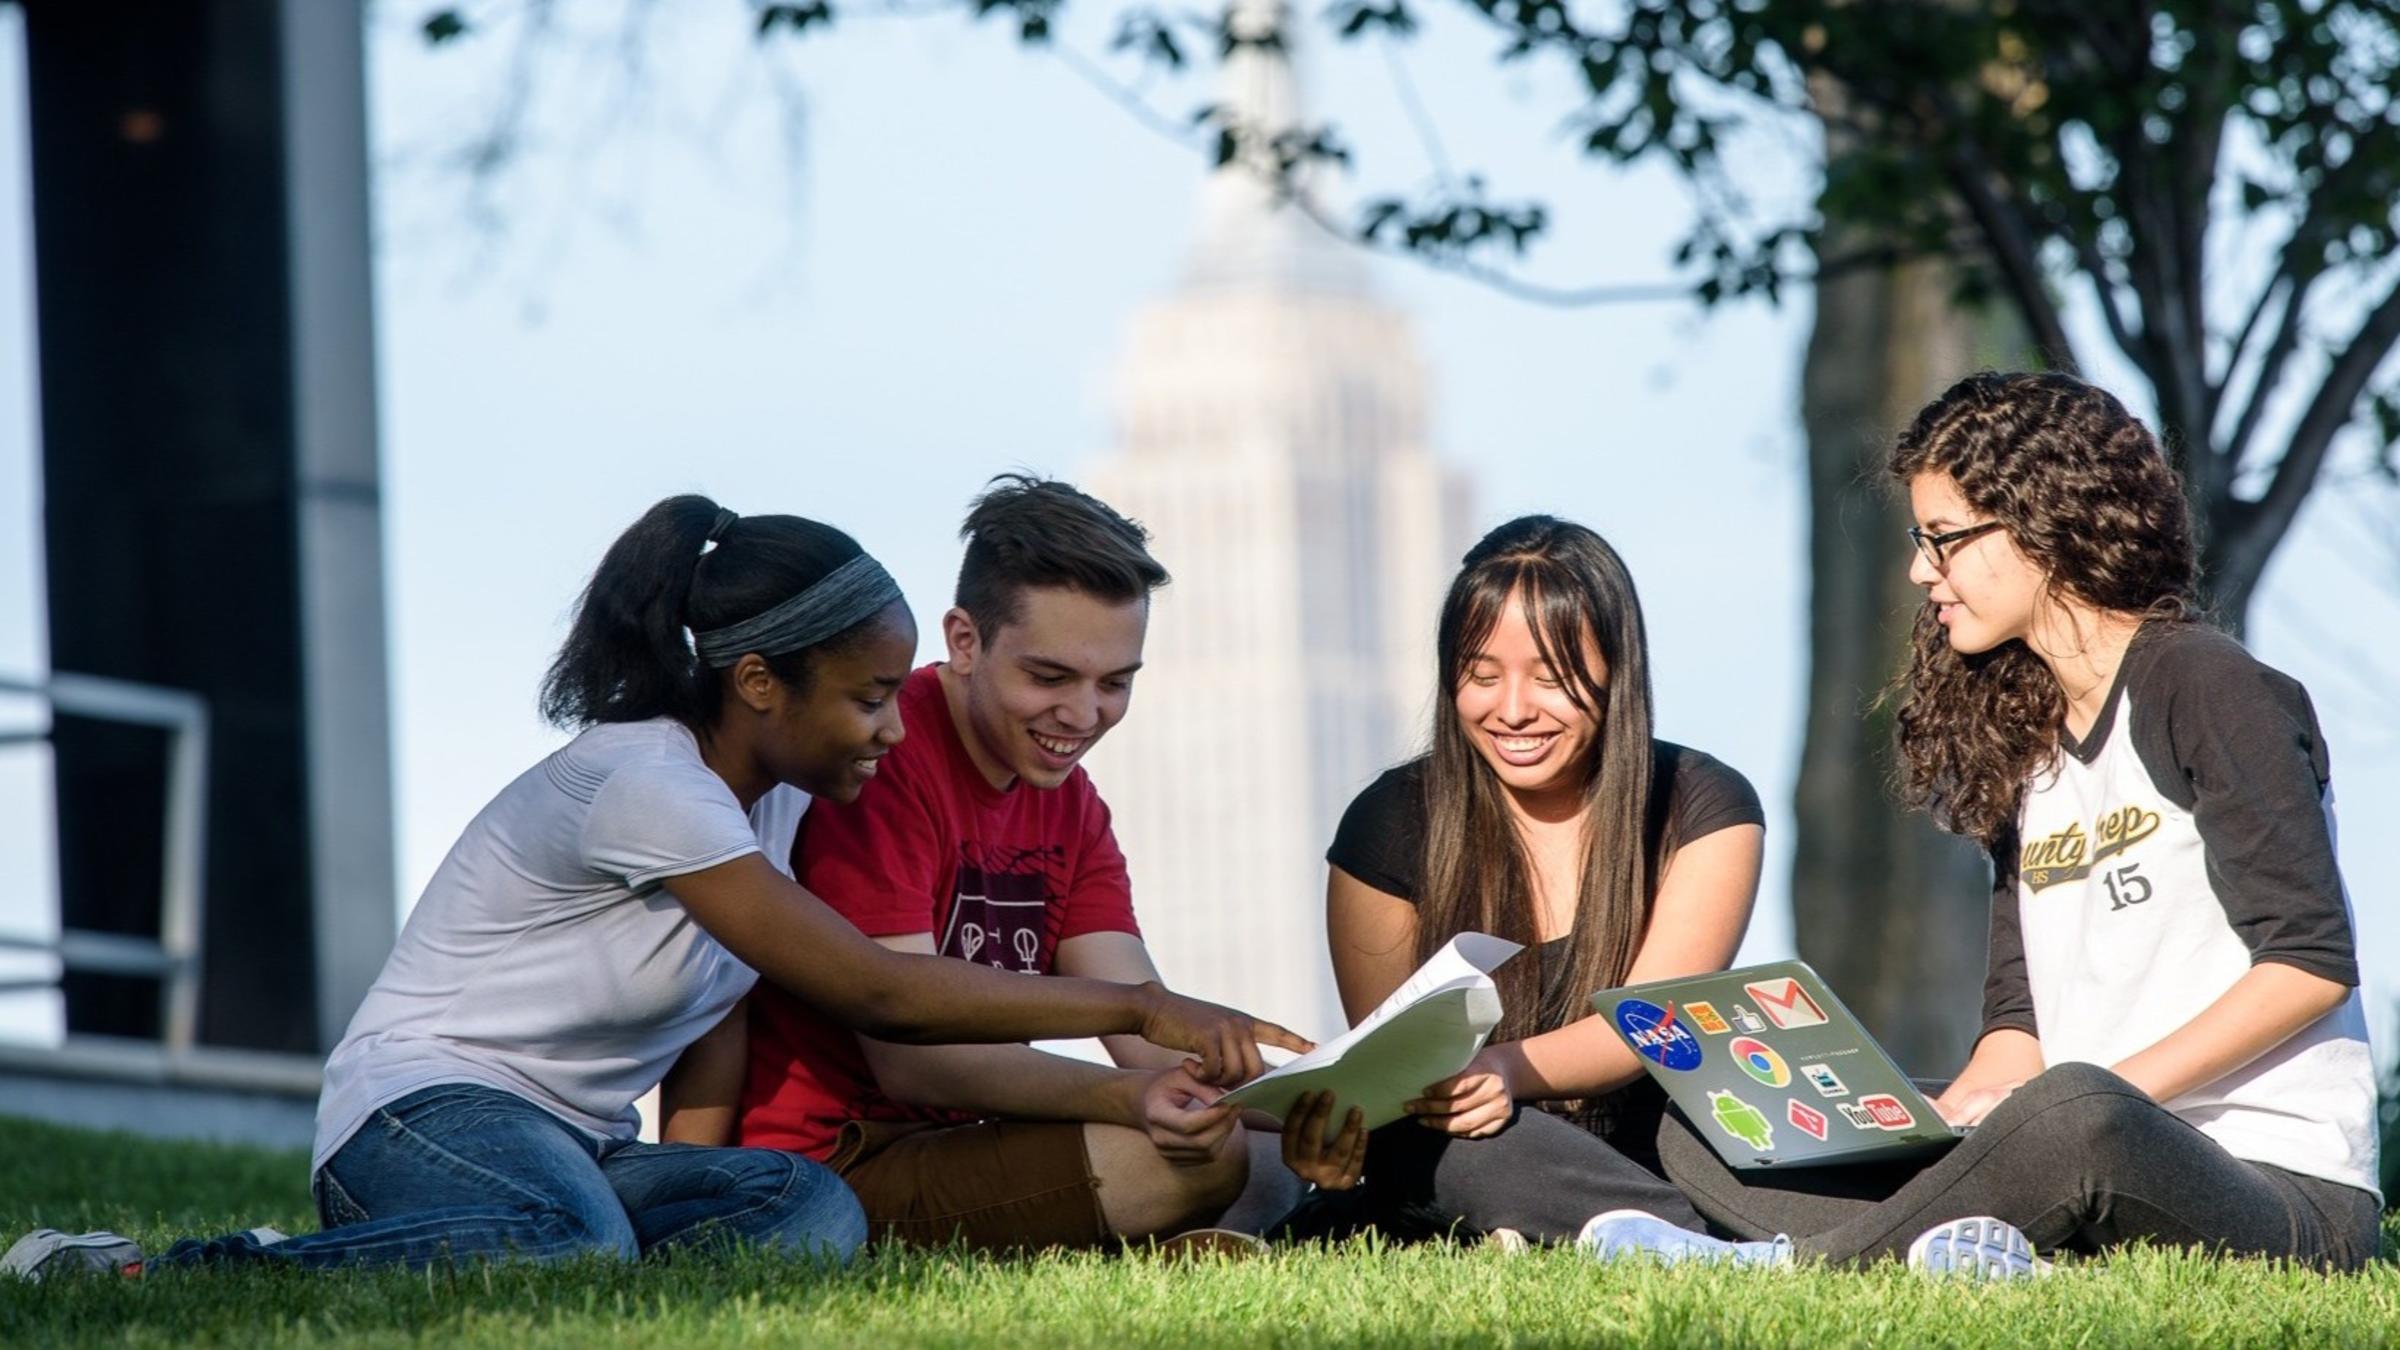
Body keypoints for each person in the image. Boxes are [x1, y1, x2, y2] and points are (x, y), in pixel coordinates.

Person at [2, 494, 1301, 1281]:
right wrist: (1167, 1017)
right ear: (758, 684)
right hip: (424, 1110)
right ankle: (175, 1273)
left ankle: (592, 1236)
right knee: (566, 1245)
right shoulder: (645, 782)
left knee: (801, 1214)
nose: (890, 727)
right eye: (862, 696)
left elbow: (717, 1017)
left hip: (583, 1142)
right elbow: (876, 991)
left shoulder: (778, 795)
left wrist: (696, 1186)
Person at [1587, 371, 2382, 1278]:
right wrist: (1952, 1121)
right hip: (2069, 1142)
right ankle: (1984, 1248)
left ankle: (1794, 1267)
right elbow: (2020, 1018)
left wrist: (2061, 1110)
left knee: (2079, 1110)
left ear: (2045, 524)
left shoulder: (2205, 684)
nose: (1921, 570)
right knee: (1707, 1115)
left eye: (1944, 540)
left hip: (2275, 1189)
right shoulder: (2026, 737)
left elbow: (2309, 966)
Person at [666, 476, 1300, 1252]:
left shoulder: (1070, 800)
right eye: (1050, 677)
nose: (1083, 715)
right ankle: (1159, 1244)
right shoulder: (875, 761)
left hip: (974, 1142)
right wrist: (1132, 1098)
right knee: (1190, 1158)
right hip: (843, 1157)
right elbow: (916, 1064)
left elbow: (1147, 1027)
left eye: (1115, 683)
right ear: (964, 640)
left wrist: (1341, 1099)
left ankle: (1166, 1248)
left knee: (1271, 1153)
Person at [1277, 514, 1767, 1247]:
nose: (1511, 710)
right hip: (1484, 1147)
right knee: (1452, 1145)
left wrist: (1505, 1067)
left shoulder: (1703, 805)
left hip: (1663, 1141)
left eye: (1550, 678)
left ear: (1615, 674)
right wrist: (1338, 1136)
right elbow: (1394, 1068)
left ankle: (1640, 1233)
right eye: (1481, 676)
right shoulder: (1389, 821)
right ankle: (1709, 1248)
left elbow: (1649, 1029)